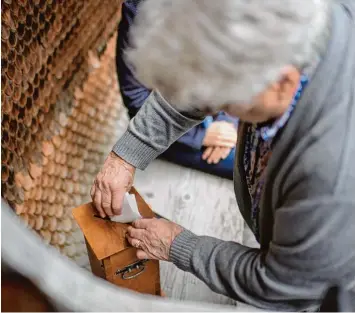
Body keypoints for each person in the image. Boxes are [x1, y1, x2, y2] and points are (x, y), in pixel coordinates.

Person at [91, 0, 355, 310]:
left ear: (281, 84)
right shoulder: (289, 15)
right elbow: (202, 77)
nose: (214, 110)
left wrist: (180, 245)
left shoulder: (331, 179)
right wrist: (127, 154)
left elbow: (285, 287)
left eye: (224, 104)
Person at [116, 0, 239, 180]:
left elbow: (240, 62)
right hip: (172, 128)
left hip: (225, 106)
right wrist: (200, 136)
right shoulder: (141, 12)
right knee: (247, 167)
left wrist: (227, 120)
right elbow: (135, 95)